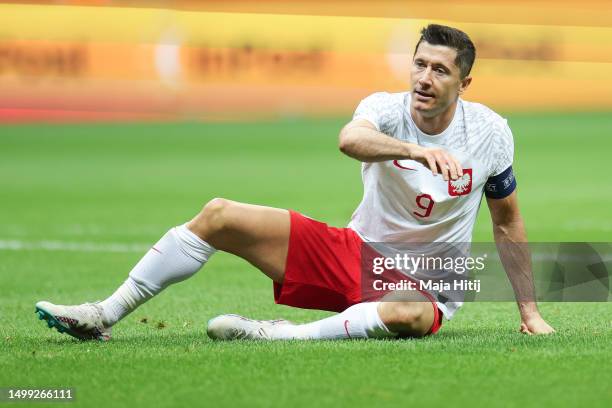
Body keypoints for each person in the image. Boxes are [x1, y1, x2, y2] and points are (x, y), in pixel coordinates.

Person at [35, 24, 554, 341]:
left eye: (440, 70)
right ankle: (102, 313)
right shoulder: (385, 109)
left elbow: (507, 222)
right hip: (355, 253)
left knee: (413, 314)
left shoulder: (490, 133)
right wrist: (414, 149)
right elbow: (351, 140)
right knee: (218, 214)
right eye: (419, 64)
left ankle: (276, 337)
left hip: (426, 285)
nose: (424, 78)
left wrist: (528, 312)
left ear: (464, 83)